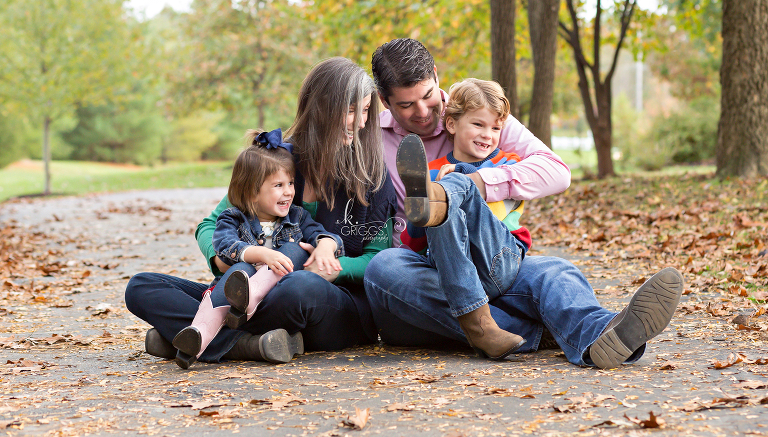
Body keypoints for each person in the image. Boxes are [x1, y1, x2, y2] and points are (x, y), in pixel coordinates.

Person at [364, 38, 684, 369]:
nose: (423, 112)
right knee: (383, 270)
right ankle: (549, 331)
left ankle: (603, 331)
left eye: (429, 96)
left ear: (435, 75)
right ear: (384, 101)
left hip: (493, 255)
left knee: (554, 271)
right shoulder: (369, 136)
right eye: (405, 105)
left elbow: (557, 172)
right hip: (431, 272)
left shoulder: (474, 111)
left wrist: (481, 183)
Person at [125, 57, 397, 366]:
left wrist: (332, 268)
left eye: (365, 110)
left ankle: (197, 335)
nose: (361, 122)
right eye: (351, 110)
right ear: (321, 106)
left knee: (300, 286)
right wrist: (222, 256)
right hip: (255, 292)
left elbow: (378, 260)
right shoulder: (277, 159)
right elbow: (211, 224)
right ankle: (248, 345)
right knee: (141, 287)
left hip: (329, 302)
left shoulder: (372, 178)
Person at [170, 128, 345, 369]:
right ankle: (197, 338)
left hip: (276, 299)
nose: (289, 192)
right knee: (239, 268)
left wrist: (327, 244)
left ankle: (179, 337)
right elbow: (223, 245)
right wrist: (261, 254)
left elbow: (318, 234)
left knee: (294, 251)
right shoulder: (232, 218)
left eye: (291, 183)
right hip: (232, 303)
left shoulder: (298, 217)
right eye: (279, 185)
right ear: (252, 192)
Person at [397, 79, 532, 359]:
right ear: (452, 124)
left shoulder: (508, 165)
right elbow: (412, 244)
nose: (488, 135)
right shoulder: (431, 172)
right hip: (447, 264)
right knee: (435, 211)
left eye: (496, 128)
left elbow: (497, 212)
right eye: (478, 125)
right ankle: (434, 207)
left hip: (498, 259)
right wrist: (419, 216)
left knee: (455, 190)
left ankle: (439, 202)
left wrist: (457, 177)